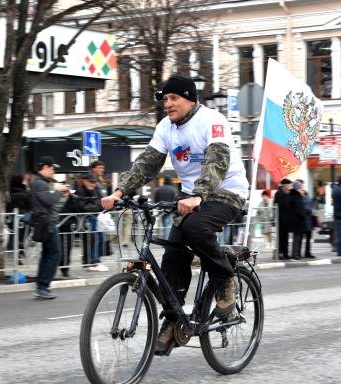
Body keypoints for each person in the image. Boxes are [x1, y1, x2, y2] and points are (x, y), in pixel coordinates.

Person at [102, 74, 249, 355]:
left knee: (195, 229)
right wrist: (119, 193)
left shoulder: (212, 121)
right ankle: (174, 319)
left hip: (227, 192)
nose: (167, 104)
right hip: (191, 197)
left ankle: (224, 279)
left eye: (173, 98)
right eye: (165, 99)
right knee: (172, 255)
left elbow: (217, 160)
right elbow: (146, 164)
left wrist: (199, 194)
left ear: (190, 99)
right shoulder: (165, 128)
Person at [30, 156, 69, 299]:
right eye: (52, 168)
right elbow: (49, 200)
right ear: (45, 167)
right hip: (47, 224)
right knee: (54, 254)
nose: (53, 171)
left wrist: (62, 195)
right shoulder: (39, 183)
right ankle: (43, 286)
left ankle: (42, 285)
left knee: (47, 255)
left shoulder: (41, 182)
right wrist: (58, 190)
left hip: (47, 222)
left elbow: (52, 203)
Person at [78, 174, 109, 272]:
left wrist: (96, 206)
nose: (93, 184)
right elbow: (83, 207)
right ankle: (92, 262)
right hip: (86, 219)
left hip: (95, 217)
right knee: (92, 239)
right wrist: (96, 206)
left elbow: (101, 203)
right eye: (91, 182)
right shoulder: (80, 190)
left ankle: (94, 261)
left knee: (99, 238)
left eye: (94, 182)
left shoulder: (95, 190)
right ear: (85, 181)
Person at [273, 178, 292, 260]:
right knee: (281, 238)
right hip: (280, 220)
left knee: (286, 238)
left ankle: (286, 253)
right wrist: (280, 217)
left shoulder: (288, 194)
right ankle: (280, 254)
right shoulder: (278, 193)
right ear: (284, 185)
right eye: (288, 184)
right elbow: (276, 207)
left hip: (287, 220)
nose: (289, 186)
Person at [288, 181, 306, 260]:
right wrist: (303, 216)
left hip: (297, 220)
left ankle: (297, 254)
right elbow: (299, 210)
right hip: (298, 221)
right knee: (297, 238)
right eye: (301, 188)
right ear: (297, 188)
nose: (303, 189)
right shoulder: (296, 197)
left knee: (298, 238)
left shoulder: (296, 196)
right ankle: (295, 255)